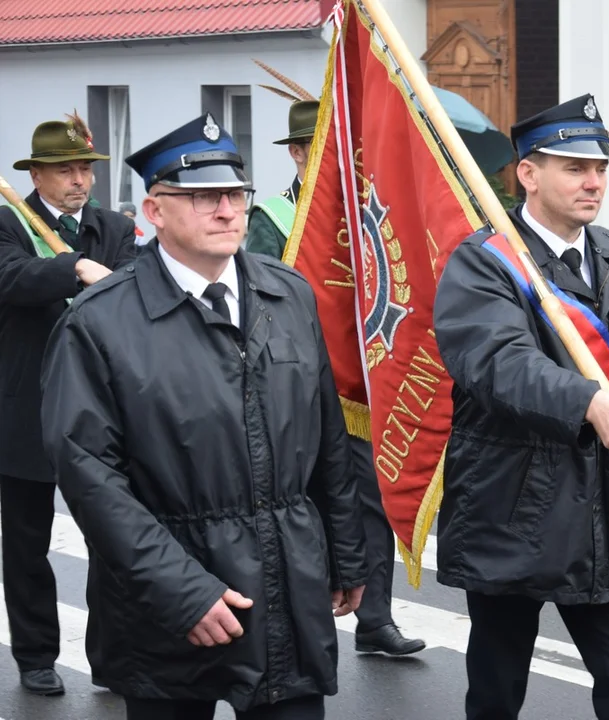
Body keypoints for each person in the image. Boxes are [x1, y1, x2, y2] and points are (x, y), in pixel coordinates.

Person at [39, 113, 368, 720]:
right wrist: (181, 591)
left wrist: (346, 551)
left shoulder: (287, 293)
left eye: (235, 194)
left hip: (285, 580)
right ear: (155, 211)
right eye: (202, 197)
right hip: (167, 603)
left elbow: (327, 436)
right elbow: (90, 478)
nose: (227, 210)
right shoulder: (100, 322)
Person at [432, 94, 609, 720]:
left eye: (600, 168)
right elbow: (500, 365)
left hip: (602, 511)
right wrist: (589, 402)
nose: (593, 182)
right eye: (573, 167)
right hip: (513, 507)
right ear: (528, 174)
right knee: (498, 687)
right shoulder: (484, 260)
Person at [247, 97, 425, 657]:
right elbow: (259, 302)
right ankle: (299, 621)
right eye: (320, 150)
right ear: (299, 153)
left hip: (360, 383)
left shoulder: (364, 212)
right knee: (302, 505)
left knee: (373, 499)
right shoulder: (272, 218)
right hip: (295, 387)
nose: (333, 161)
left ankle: (377, 619)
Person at [0, 114, 136, 696]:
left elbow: (134, 287)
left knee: (111, 539)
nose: (79, 180)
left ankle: (110, 658)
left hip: (99, 409)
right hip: (25, 406)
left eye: (85, 168)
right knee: (27, 542)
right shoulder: (8, 220)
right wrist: (73, 267)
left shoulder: (114, 226)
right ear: (36, 175)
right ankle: (35, 655)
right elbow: (11, 277)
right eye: (64, 170)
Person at [245, 99, 316, 258]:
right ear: (296, 152)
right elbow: (263, 281)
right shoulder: (269, 219)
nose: (330, 150)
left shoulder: (353, 206)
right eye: (318, 142)